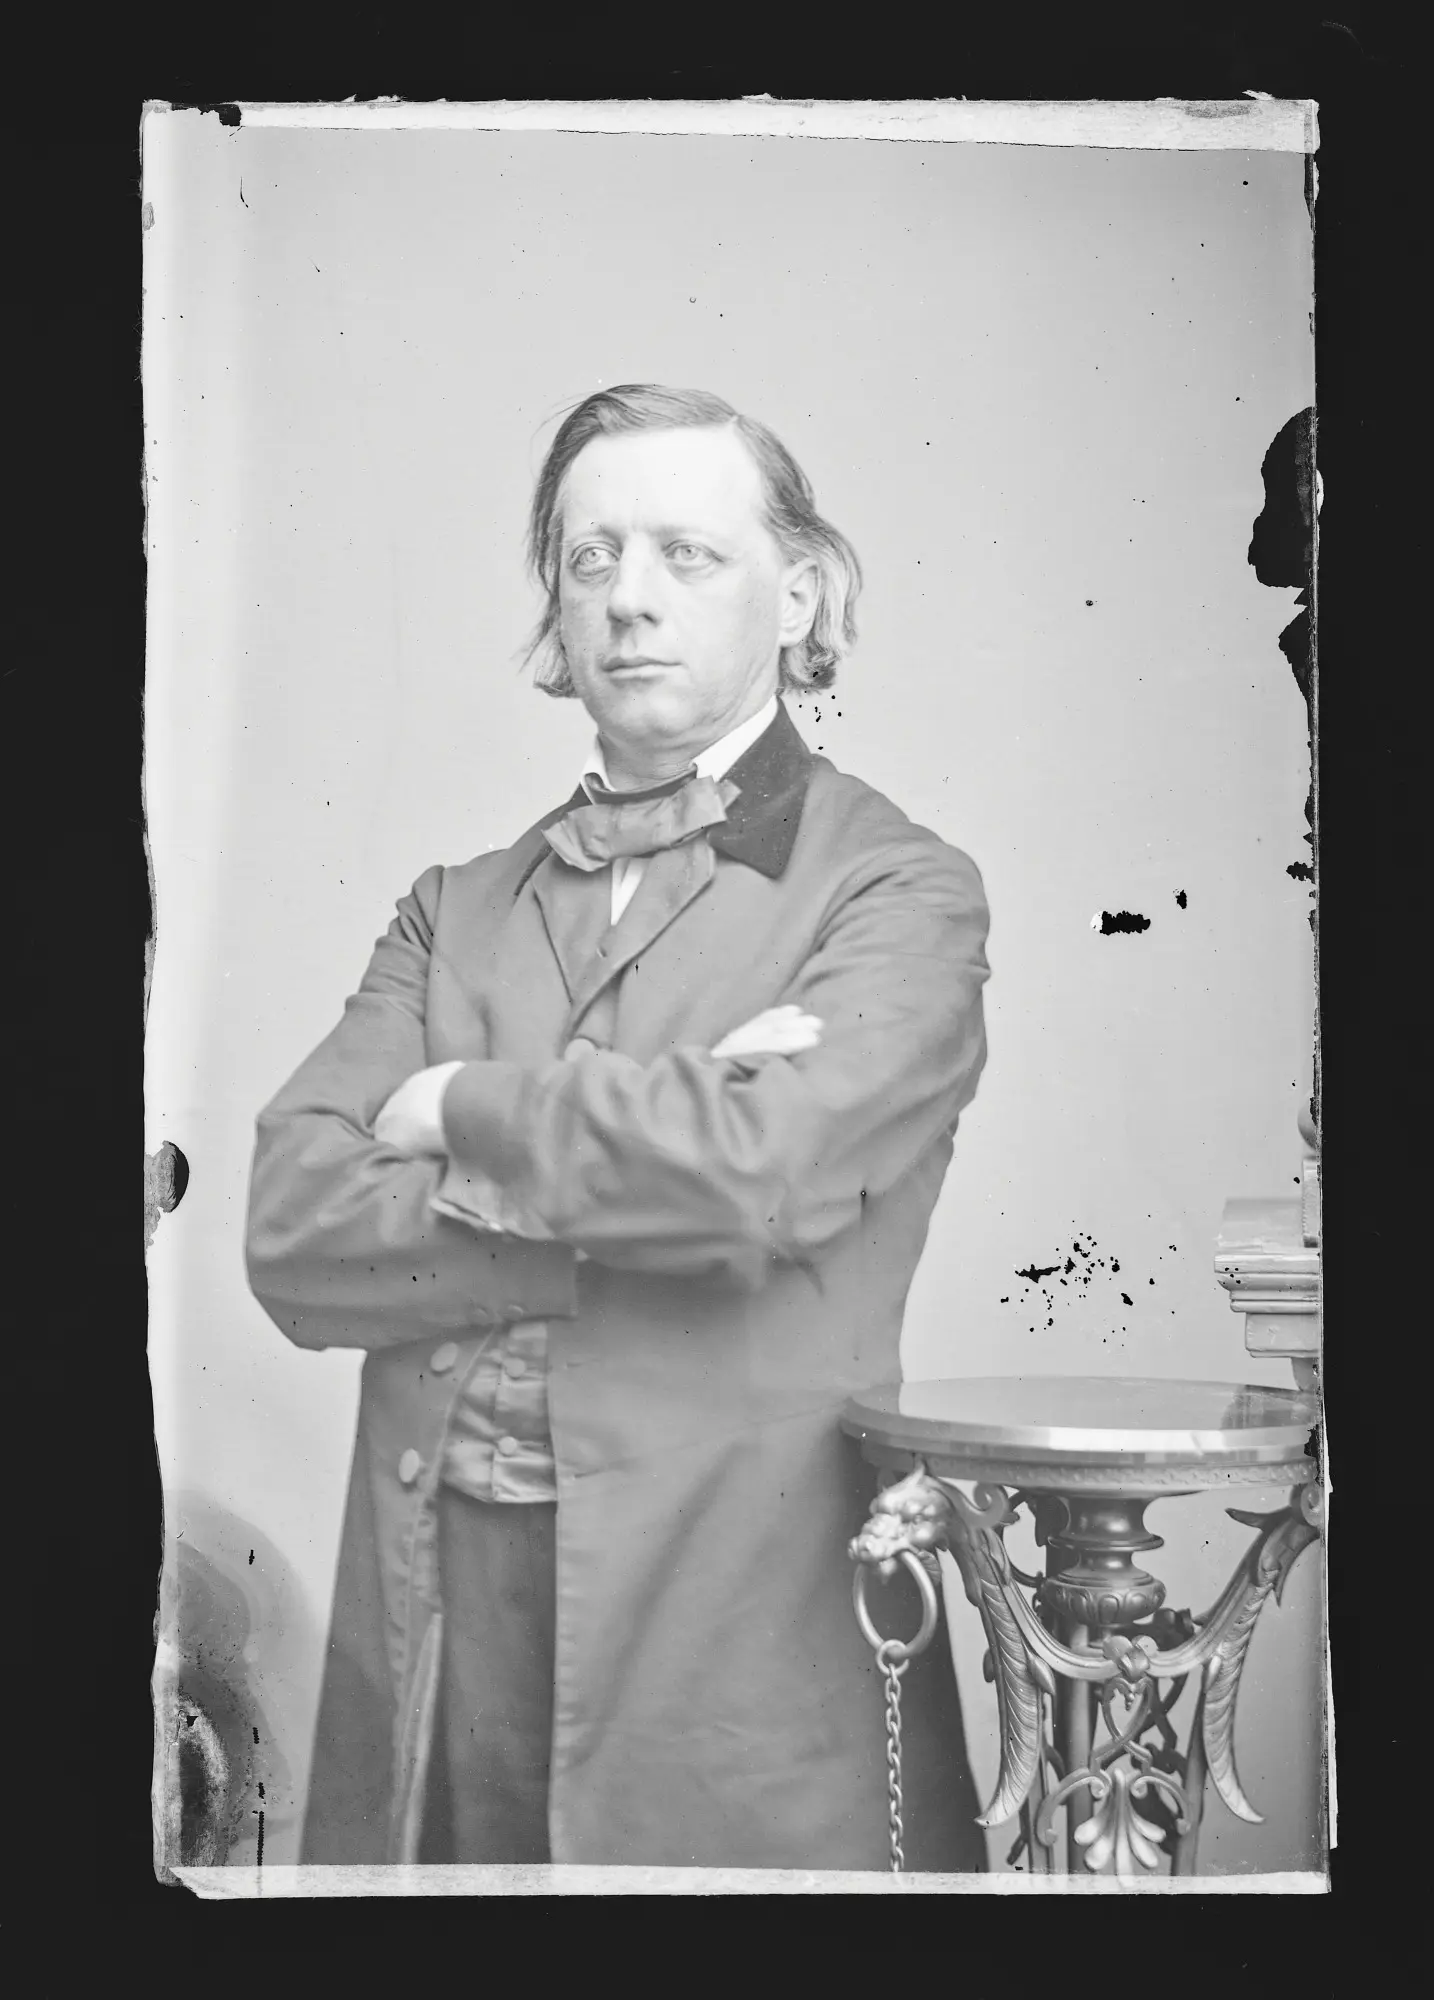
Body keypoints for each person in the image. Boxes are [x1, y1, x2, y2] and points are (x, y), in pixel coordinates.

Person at [245, 383, 992, 1871]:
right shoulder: (450, 909)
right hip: (438, 1632)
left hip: (735, 1643)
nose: (628, 597)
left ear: (799, 595)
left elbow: (752, 1174)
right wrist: (633, 1176)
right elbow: (291, 1227)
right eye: (590, 558)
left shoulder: (898, 889)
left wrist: (455, 1108)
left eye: (683, 554)